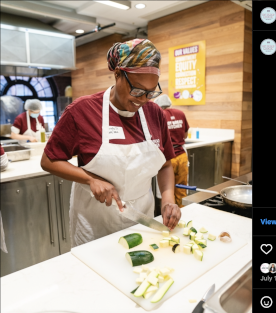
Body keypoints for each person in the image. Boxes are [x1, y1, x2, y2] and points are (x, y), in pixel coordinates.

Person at [41, 39, 181, 247]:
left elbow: (166, 164)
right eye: (137, 90)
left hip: (142, 216)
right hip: (95, 222)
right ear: (118, 75)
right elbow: (49, 160)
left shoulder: (155, 114)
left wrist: (168, 199)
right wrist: (90, 179)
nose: (143, 99)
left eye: (150, 93)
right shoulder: (82, 111)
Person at [154, 95, 190, 207]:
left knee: (166, 192)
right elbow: (185, 135)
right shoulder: (180, 113)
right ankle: (182, 217)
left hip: (167, 158)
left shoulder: (159, 114)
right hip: (182, 156)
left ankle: (167, 217)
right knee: (182, 189)